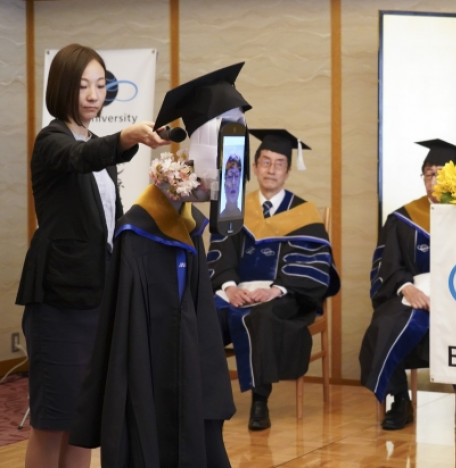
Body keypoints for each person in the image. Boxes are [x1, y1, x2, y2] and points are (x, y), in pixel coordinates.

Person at [68, 63, 251, 466]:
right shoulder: (138, 235)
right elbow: (128, 344)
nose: (228, 167)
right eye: (217, 147)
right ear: (187, 155)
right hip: (152, 386)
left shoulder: (189, 227)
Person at [15, 43, 170, 468]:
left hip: (96, 296)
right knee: (53, 422)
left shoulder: (95, 143)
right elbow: (81, 157)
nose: (93, 95)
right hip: (59, 299)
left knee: (84, 421)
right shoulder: (52, 140)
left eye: (101, 85)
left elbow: (106, 211)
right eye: (83, 85)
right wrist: (127, 136)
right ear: (62, 86)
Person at [208, 128, 340, 431]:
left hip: (284, 295)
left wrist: (276, 289)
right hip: (236, 292)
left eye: (279, 164)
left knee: (264, 317)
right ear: (254, 167)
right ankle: (208, 398)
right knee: (203, 315)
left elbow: (311, 266)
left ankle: (260, 401)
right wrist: (229, 287)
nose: (271, 169)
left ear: (288, 172)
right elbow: (220, 253)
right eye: (265, 162)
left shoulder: (304, 214)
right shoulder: (235, 208)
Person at [359, 139, 456, 430]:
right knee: (385, 324)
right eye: (428, 174)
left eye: (441, 174)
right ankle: (400, 399)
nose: (433, 181)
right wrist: (406, 288)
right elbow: (388, 265)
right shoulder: (404, 218)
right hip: (414, 296)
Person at [220, 153, 243, 219]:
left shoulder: (246, 219)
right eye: (230, 176)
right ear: (224, 184)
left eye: (237, 176)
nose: (233, 182)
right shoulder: (219, 218)